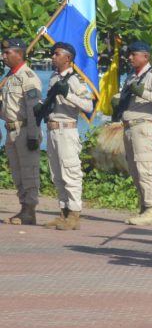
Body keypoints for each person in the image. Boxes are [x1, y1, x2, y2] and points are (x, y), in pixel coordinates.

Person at [115, 41, 152, 227]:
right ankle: (144, 206)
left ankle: (151, 210)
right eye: (129, 54)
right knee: (135, 169)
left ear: (145, 56)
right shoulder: (131, 76)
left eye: (134, 54)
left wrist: (144, 92)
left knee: (145, 168)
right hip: (130, 126)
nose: (130, 57)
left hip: (144, 127)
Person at [40, 42, 93, 231]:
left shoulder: (74, 80)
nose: (53, 57)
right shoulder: (54, 78)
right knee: (56, 173)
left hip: (67, 129)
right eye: (53, 54)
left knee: (70, 172)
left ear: (67, 58)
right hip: (52, 129)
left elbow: (88, 106)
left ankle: (74, 215)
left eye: (56, 54)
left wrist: (68, 94)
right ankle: (63, 212)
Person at [1, 38, 42, 226]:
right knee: (17, 173)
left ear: (19, 53)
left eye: (7, 53)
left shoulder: (29, 77)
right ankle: (23, 207)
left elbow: (34, 110)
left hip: (25, 130)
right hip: (11, 130)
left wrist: (33, 135)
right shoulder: (9, 78)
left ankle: (29, 210)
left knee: (28, 172)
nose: (3, 56)